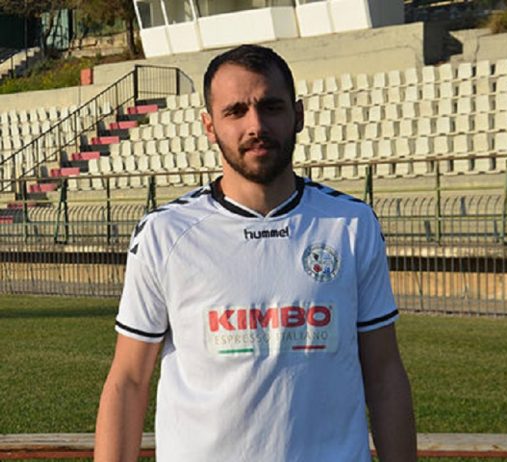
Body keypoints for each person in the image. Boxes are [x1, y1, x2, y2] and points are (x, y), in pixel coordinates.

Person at [95, 44, 417, 462]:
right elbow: (128, 381)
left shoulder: (351, 225)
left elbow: (384, 375)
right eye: (235, 111)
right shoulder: (165, 233)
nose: (256, 125)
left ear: (298, 115)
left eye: (271, 107)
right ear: (209, 126)